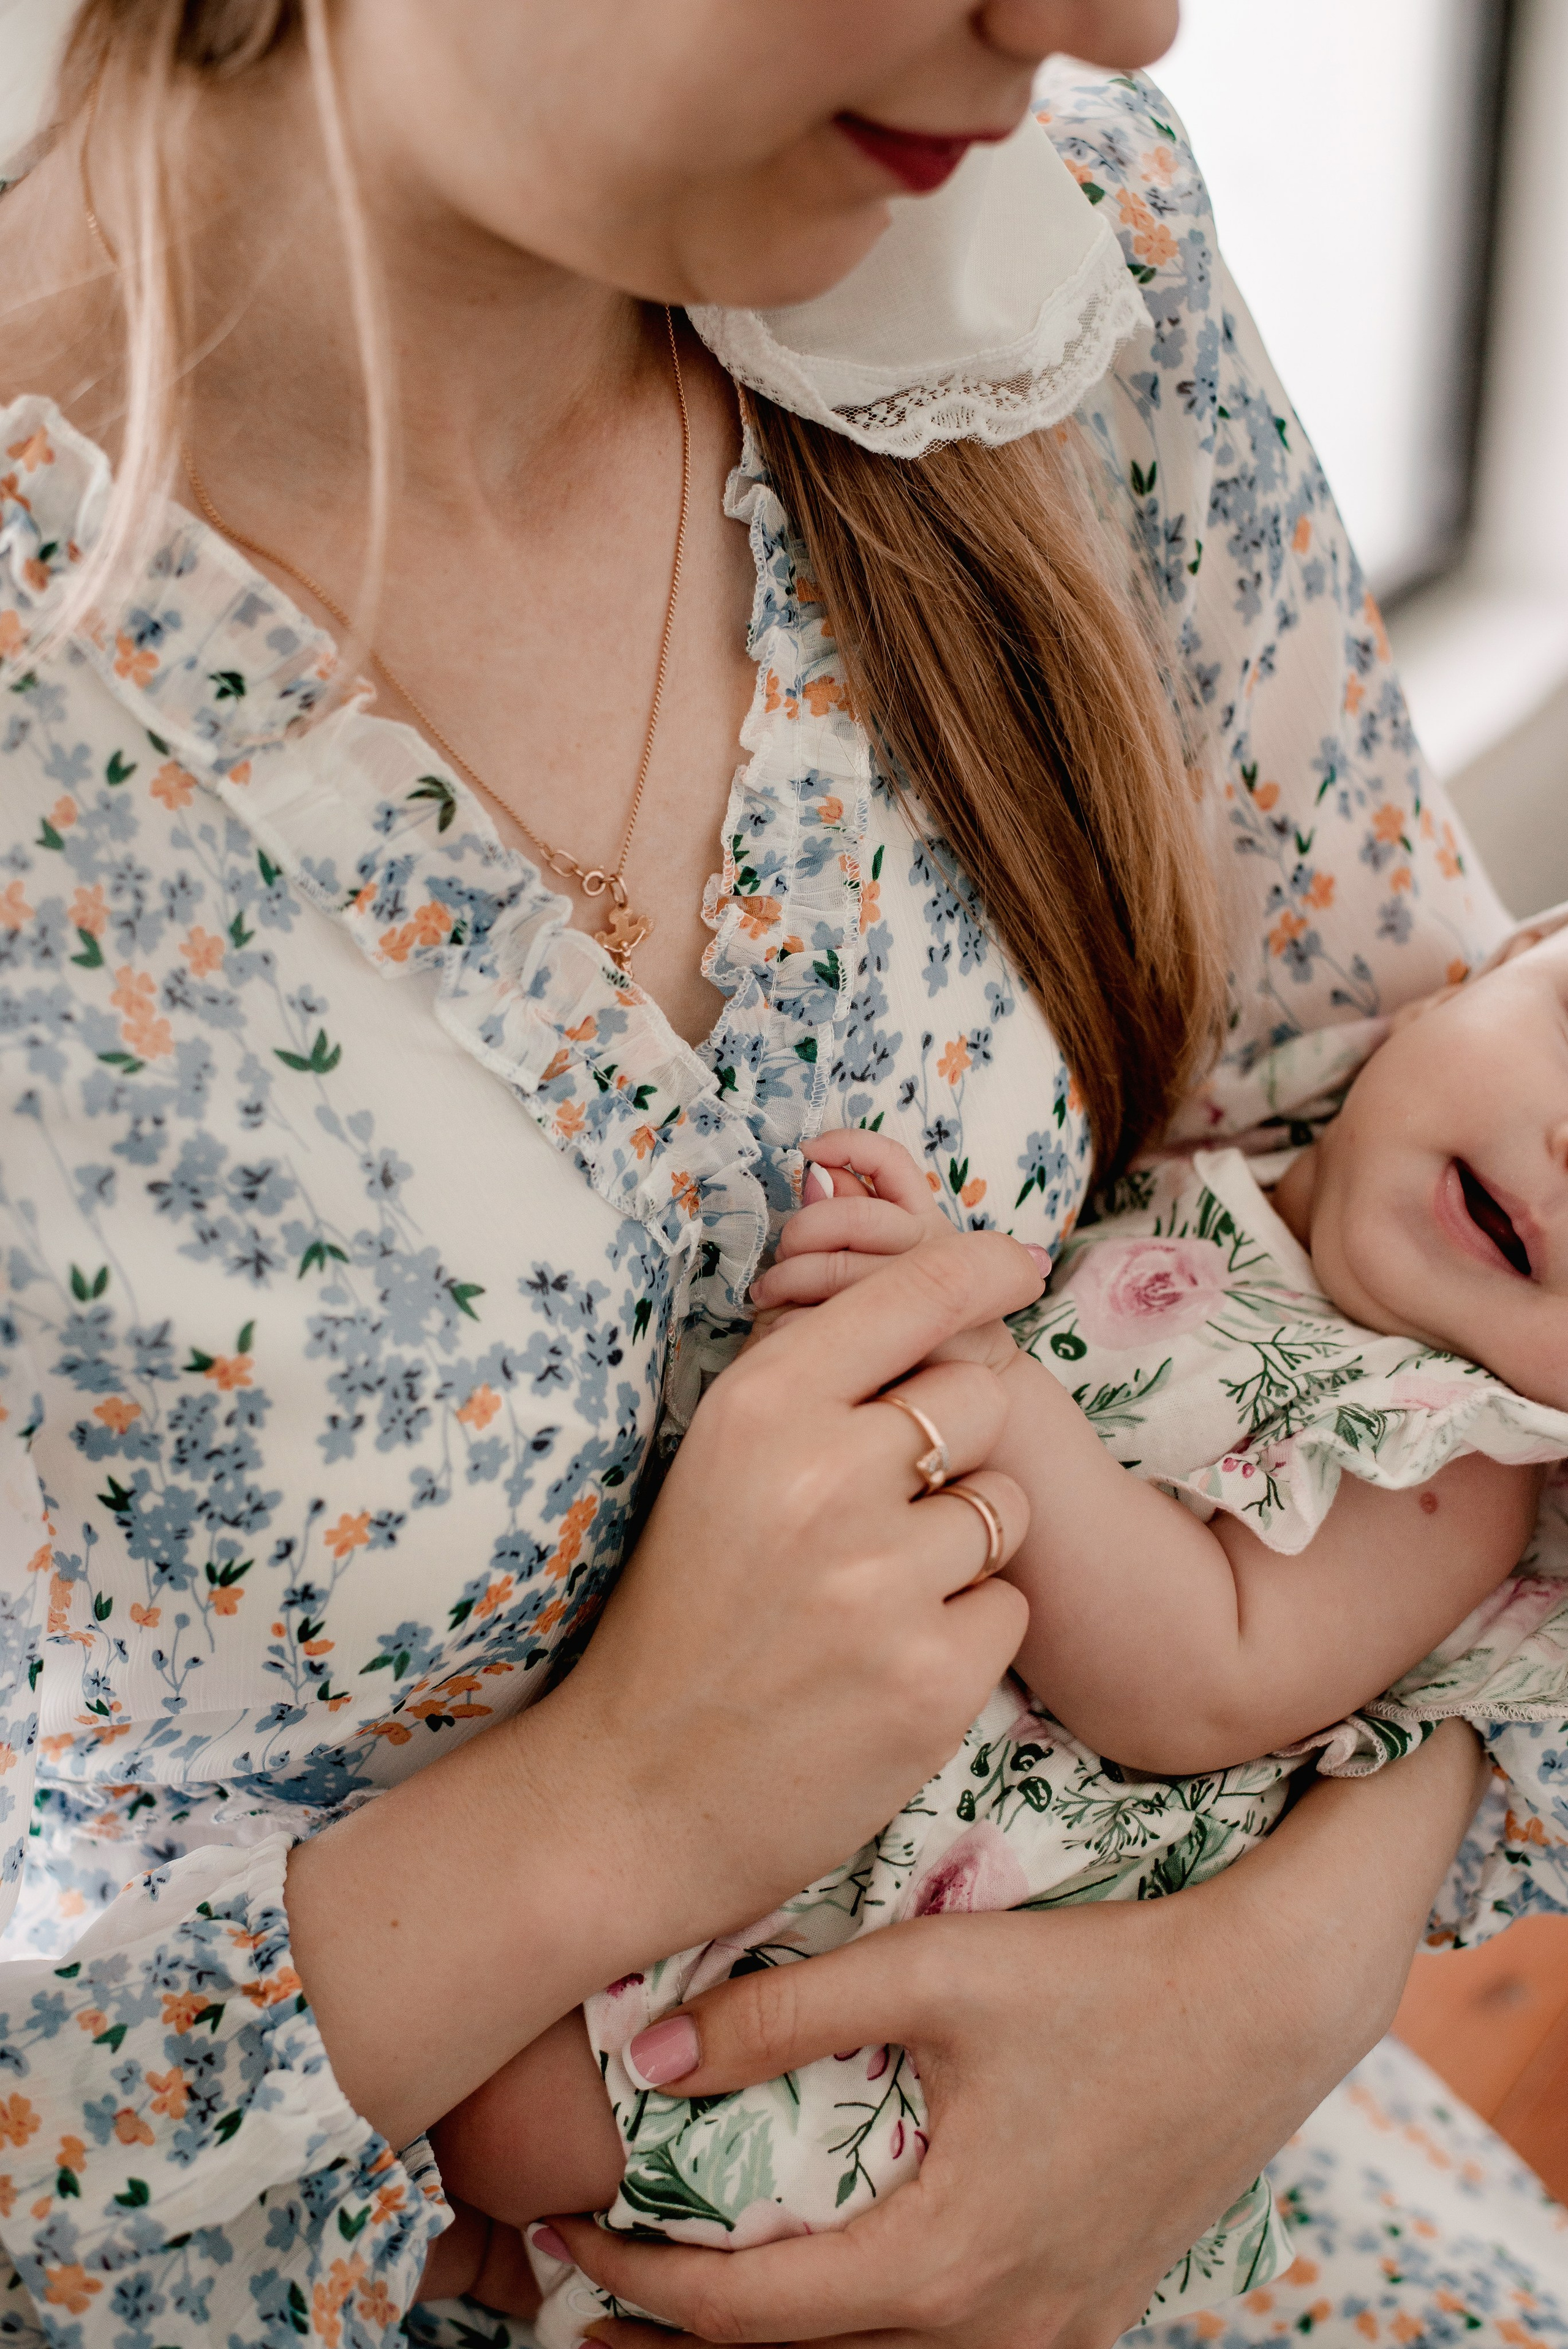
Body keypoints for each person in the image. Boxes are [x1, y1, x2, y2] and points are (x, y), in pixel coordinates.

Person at [0, 7, 1562, 2349]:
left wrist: (1269, 1991)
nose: (1115, 18)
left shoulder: (1049, 275)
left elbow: (1499, 1362)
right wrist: (606, 1811)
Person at [435, 911, 1568, 2343]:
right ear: (1502, 956)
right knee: (496, 2067)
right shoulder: (1252, 1126)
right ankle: (522, 2260)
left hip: (988, 1891)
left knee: (518, 2123)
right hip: (843, 1730)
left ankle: (538, 2260)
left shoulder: (1457, 1460)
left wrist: (977, 1368)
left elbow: (1202, 1680)